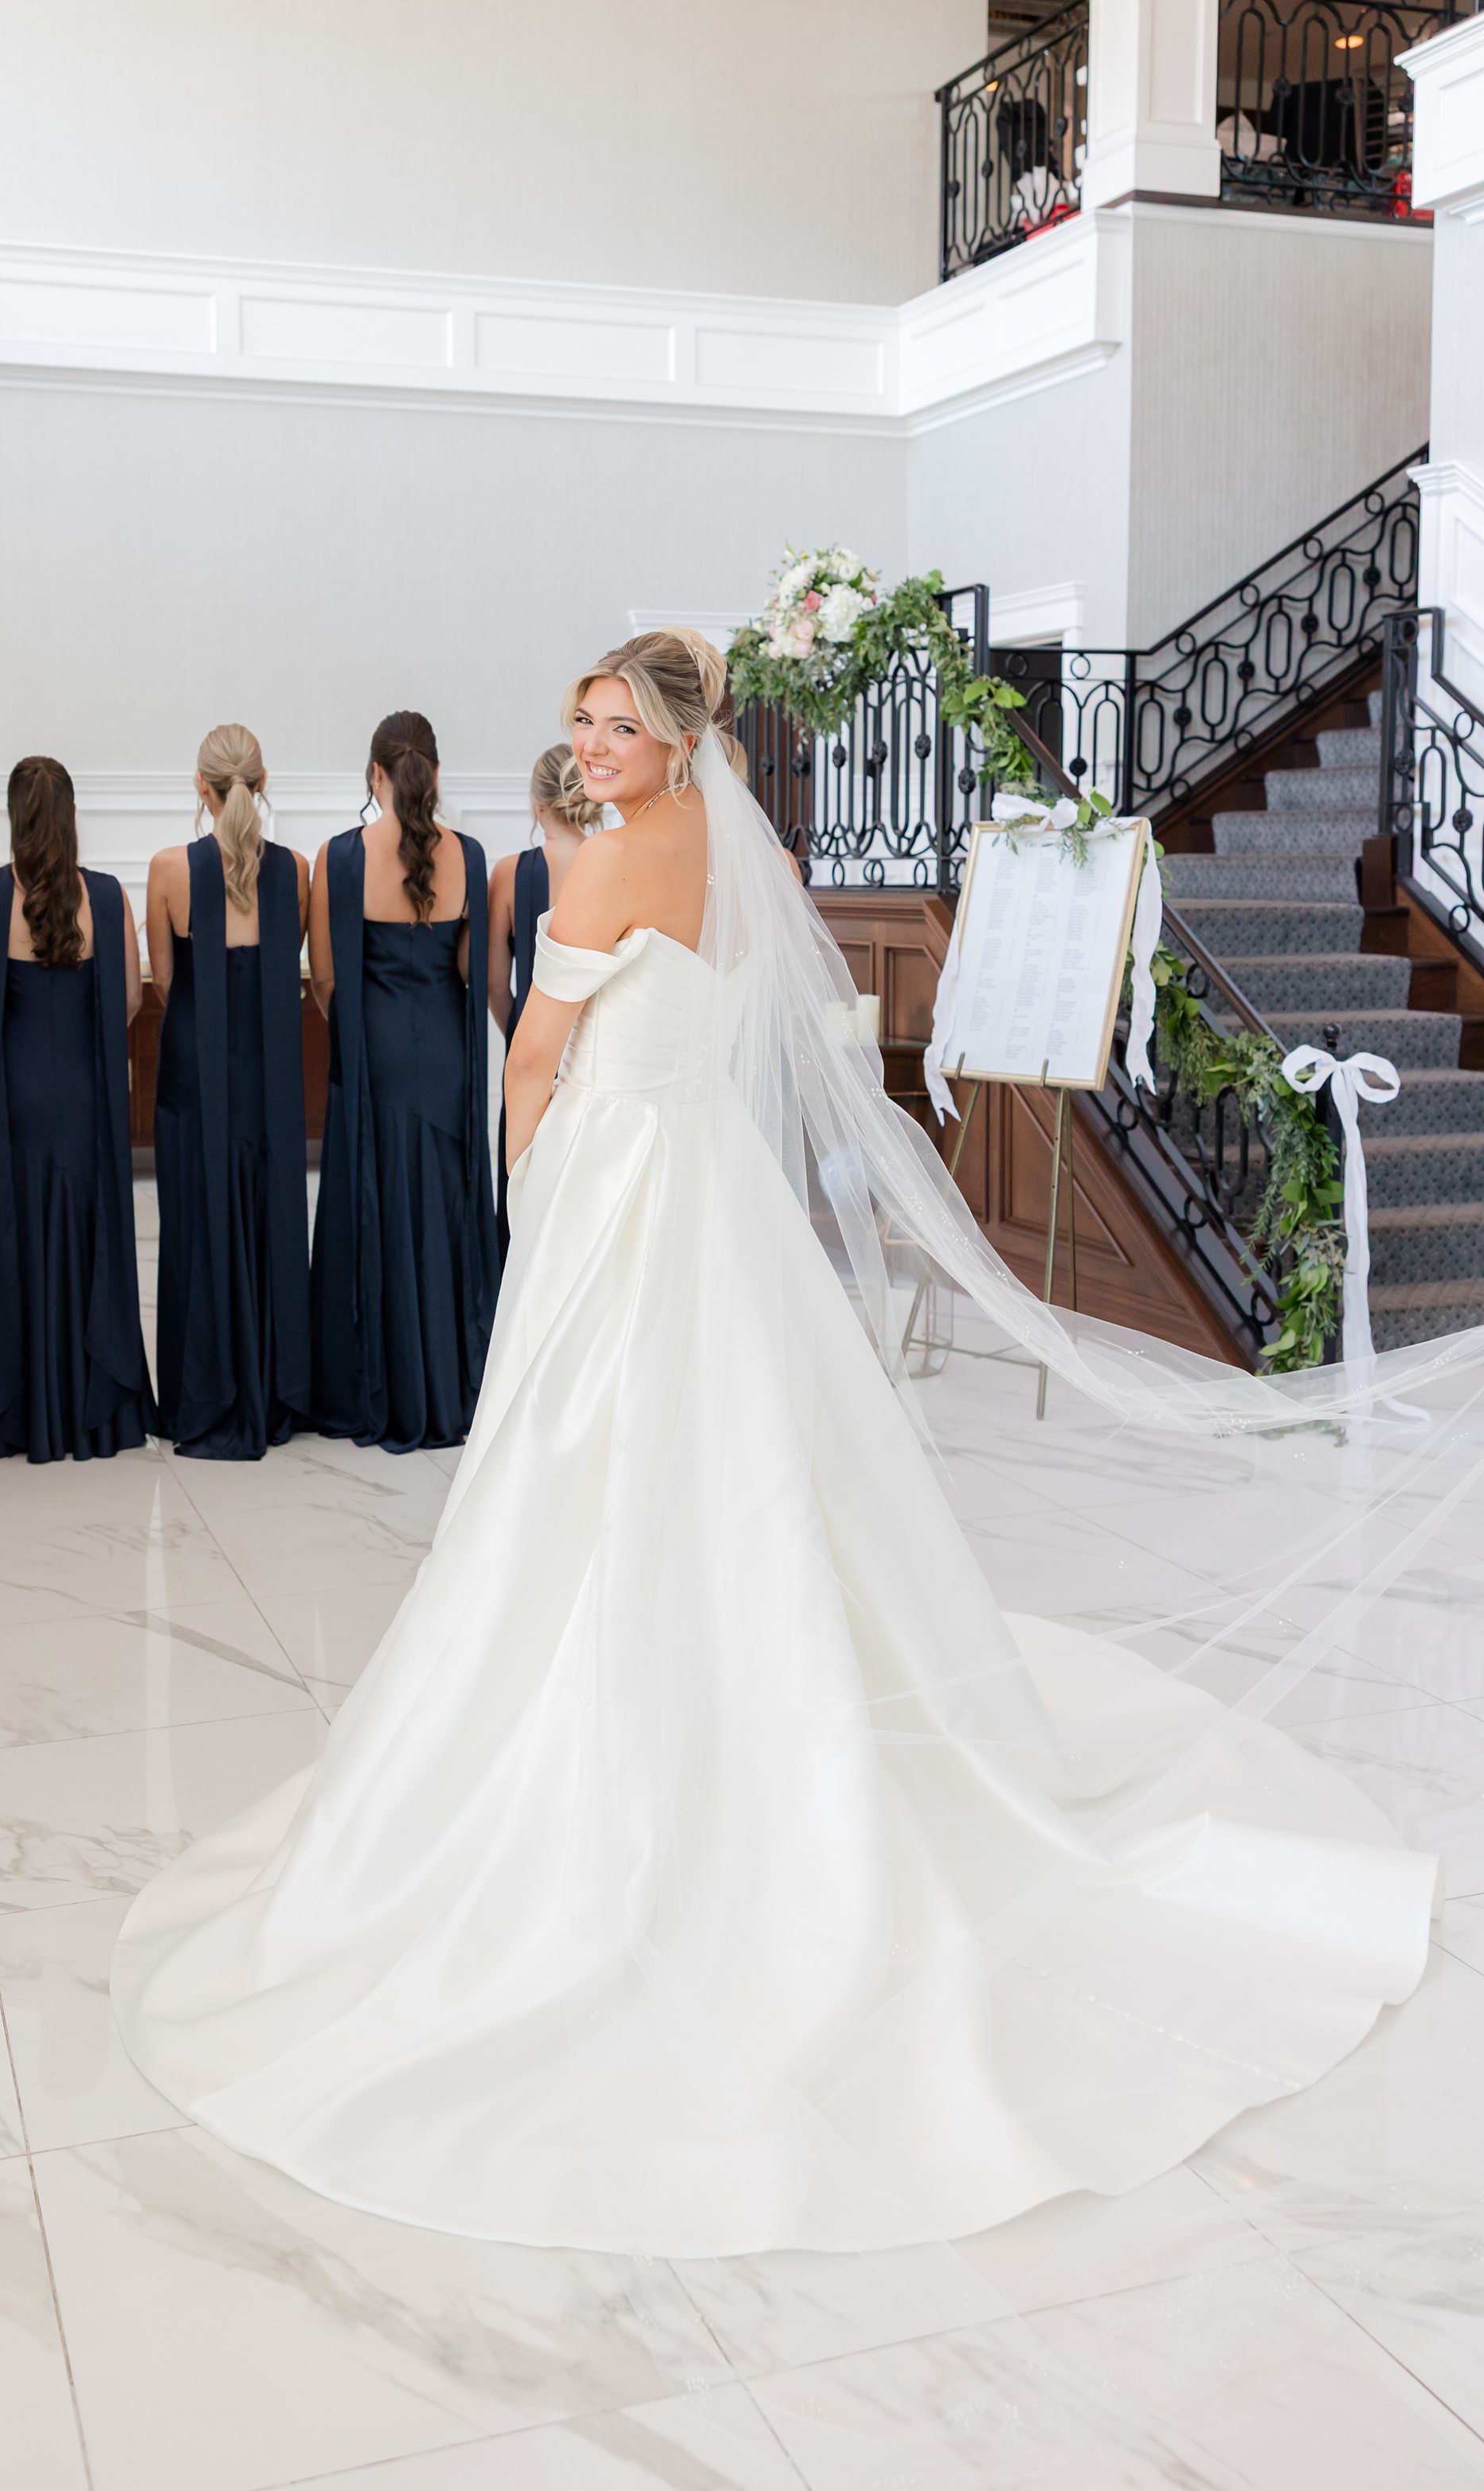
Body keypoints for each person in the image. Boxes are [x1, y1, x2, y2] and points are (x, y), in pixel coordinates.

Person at [116, 629, 1477, 2260]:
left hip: (623, 1184)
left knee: (597, 1478)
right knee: (747, 1469)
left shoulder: (611, 864)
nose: (598, 748)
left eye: (621, 726)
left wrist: (529, 1185)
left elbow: (539, 1057)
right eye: (585, 725)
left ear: (674, 740)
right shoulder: (737, 845)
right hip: (710, 1194)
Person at [307, 710, 499, 1451]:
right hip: (445, 1056)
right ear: (436, 774)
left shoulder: (341, 857)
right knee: (444, 1211)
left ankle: (373, 1382)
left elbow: (326, 977)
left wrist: (364, 1025)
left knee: (379, 1206)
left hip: (375, 1057)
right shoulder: (470, 855)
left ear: (376, 773)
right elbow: (469, 972)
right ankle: (450, 1380)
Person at [0, 756, 155, 1463]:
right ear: (71, 817)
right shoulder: (105, 897)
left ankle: (22, 1403)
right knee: (89, 1239)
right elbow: (130, 1001)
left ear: (14, 817)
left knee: (20, 1240)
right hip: (85, 1094)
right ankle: (93, 1402)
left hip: (15, 1102)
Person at [147, 725, 312, 1459]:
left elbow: (165, 983)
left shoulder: (168, 870)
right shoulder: (296, 871)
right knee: (271, 1215)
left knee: (199, 1219)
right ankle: (277, 1383)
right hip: (271, 1072)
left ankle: (204, 1387)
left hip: (199, 1070)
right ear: (263, 780)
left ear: (200, 788)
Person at [487, 743, 598, 1252]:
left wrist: (522, 1032)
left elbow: (493, 982)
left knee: (528, 1202)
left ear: (537, 806)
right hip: (598, 1057)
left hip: (530, 1055)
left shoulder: (512, 873)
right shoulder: (613, 861)